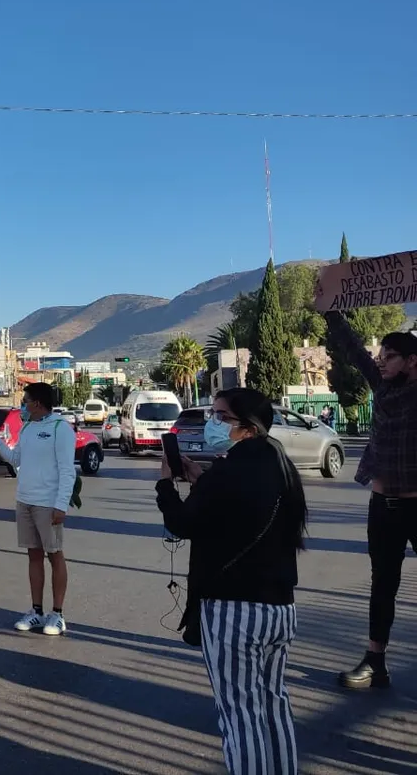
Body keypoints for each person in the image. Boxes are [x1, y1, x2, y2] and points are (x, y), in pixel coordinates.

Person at [157, 387, 307, 775]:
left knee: (240, 715)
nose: (213, 423)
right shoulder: (278, 462)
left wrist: (164, 486)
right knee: (273, 704)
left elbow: (183, 523)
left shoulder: (231, 469)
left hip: (233, 610)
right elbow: (235, 512)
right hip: (279, 606)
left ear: (248, 427)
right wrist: (201, 479)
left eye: (221, 417)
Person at [326, 315, 417, 690]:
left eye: (391, 355)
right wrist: (330, 312)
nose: (381, 360)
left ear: (413, 361)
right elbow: (355, 352)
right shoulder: (381, 384)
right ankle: (374, 662)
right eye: (382, 354)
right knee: (383, 584)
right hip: (383, 505)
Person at [0, 382, 76, 635]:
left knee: (54, 555)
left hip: (48, 504)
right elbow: (16, 459)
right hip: (24, 500)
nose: (22, 405)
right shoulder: (27, 427)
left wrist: (61, 505)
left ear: (37, 403)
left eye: (25, 400)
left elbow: (67, 471)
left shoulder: (61, 428)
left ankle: (57, 615)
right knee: (33, 556)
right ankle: (37, 611)